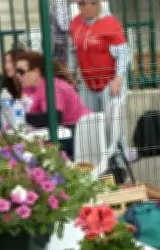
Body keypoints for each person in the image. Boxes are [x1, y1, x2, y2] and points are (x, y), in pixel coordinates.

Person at [69, 0, 131, 162]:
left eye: (92, 3)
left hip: (110, 82)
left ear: (99, 4)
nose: (87, 7)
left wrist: (118, 78)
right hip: (87, 82)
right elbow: (73, 51)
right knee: (88, 123)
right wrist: (70, 74)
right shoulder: (75, 23)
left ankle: (120, 164)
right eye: (82, 4)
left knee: (114, 126)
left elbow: (123, 54)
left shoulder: (110, 24)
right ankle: (93, 163)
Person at [16, 51, 90, 158]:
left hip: (78, 134)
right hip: (69, 131)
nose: (18, 76)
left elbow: (54, 117)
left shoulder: (51, 87)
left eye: (21, 72)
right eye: (17, 71)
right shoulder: (38, 87)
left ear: (36, 72)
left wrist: (23, 117)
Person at [50, 0, 71, 65]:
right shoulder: (60, 3)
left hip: (60, 40)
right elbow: (64, 26)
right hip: (59, 40)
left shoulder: (59, 4)